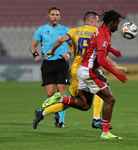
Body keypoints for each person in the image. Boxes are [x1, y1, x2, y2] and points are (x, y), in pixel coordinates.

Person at [33, 10, 127, 140]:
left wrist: (113, 51)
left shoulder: (86, 30)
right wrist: (117, 72)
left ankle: (58, 100)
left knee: (84, 105)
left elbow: (63, 40)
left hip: (80, 68)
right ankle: (101, 127)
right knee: (109, 98)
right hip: (89, 70)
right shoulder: (98, 31)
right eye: (117, 23)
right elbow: (101, 57)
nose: (118, 26)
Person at [29, 7, 72, 128]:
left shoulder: (65, 29)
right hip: (48, 64)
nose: (55, 17)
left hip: (62, 63)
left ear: (59, 17)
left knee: (62, 92)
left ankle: (61, 121)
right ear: (48, 16)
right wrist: (36, 55)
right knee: (50, 94)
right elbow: (32, 46)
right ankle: (56, 113)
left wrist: (69, 53)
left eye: (57, 15)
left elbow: (73, 45)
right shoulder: (41, 30)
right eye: (52, 14)